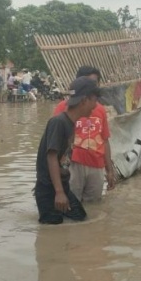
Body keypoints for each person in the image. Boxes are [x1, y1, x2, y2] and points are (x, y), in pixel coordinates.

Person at [35, 76, 101, 224]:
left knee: (81, 219)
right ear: (84, 100)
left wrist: (62, 190)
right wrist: (58, 192)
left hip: (62, 187)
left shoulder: (71, 123)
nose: (96, 106)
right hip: (49, 190)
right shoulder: (58, 122)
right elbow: (51, 157)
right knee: (52, 231)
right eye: (94, 100)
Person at [53, 66, 116, 202]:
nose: (91, 87)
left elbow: (105, 140)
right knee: (71, 203)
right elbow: (54, 144)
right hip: (73, 165)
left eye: (94, 84)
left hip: (96, 165)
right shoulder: (63, 108)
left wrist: (109, 170)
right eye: (88, 82)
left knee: (93, 207)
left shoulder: (100, 110)